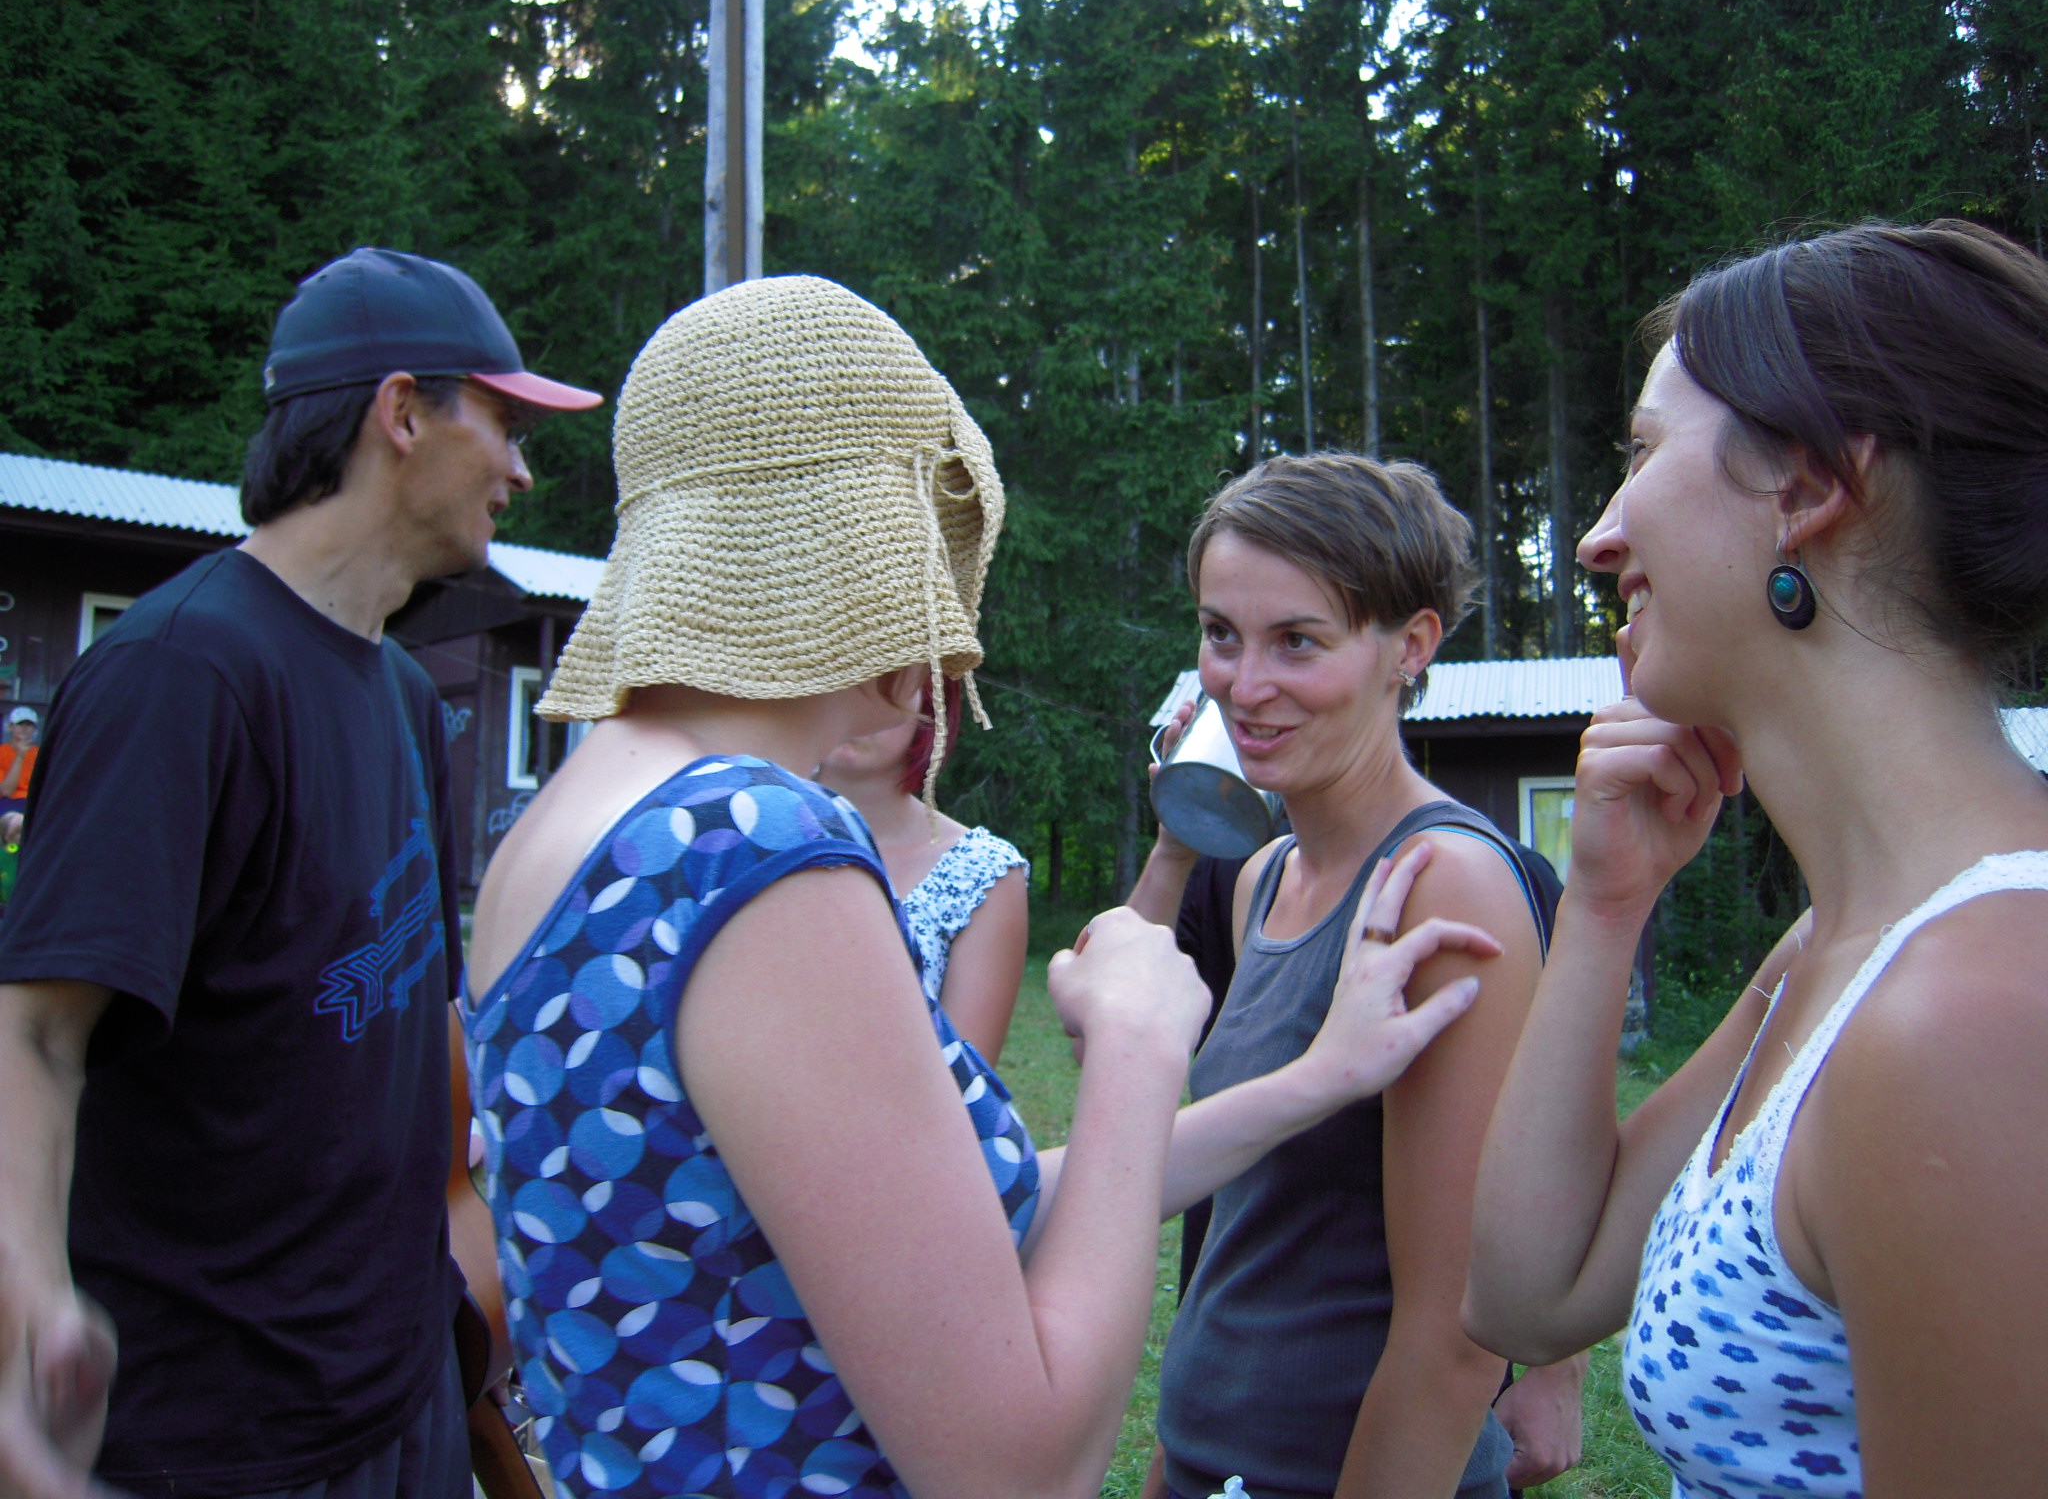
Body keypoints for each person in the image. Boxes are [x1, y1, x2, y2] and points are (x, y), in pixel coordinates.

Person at [461, 277, 1482, 1499]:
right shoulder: (754, 845)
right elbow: (1022, 1469)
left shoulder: (567, 827)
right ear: (880, 541)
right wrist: (1137, 1042)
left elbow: (933, 1232)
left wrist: (1316, 1079)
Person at [0, 246, 602, 1499]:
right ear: (401, 412)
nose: (521, 471)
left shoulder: (401, 694)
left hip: (398, 1390)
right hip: (217, 1435)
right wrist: (32, 1297)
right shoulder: (180, 675)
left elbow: (396, 1010)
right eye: (502, 424)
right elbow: (36, 1036)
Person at [1464, 220, 2048, 1496]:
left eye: (1642, 454)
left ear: (1806, 485)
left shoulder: (1968, 1020)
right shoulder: (1829, 956)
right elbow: (1525, 1297)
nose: (1596, 538)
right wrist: (1604, 905)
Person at [1129, 452, 1562, 1499]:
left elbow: (1453, 1340)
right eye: (1220, 634)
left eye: (1298, 641)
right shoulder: (1262, 878)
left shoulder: (1443, 885)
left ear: (1409, 646)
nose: (1243, 685)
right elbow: (1244, 1240)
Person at [819, 682, 1029, 1062]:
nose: (854, 697)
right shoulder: (737, 829)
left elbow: (967, 1080)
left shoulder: (982, 873)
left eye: (885, 681)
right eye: (836, 674)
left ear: (931, 707)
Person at [0, 706, 40, 814]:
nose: (24, 728)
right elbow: (6, 791)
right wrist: (20, 755)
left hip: (34, 803)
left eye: (29, 725)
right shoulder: (2, 752)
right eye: (20, 724)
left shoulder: (40, 754)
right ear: (10, 727)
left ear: (34, 729)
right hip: (7, 802)